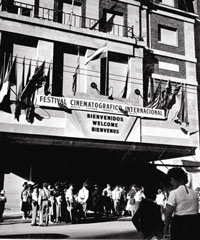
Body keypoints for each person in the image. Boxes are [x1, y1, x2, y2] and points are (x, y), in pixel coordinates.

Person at [163, 167, 199, 240]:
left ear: (176, 180)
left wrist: (165, 231)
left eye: (172, 180)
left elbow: (168, 214)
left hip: (180, 225)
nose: (171, 183)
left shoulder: (174, 193)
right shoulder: (194, 193)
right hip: (195, 224)